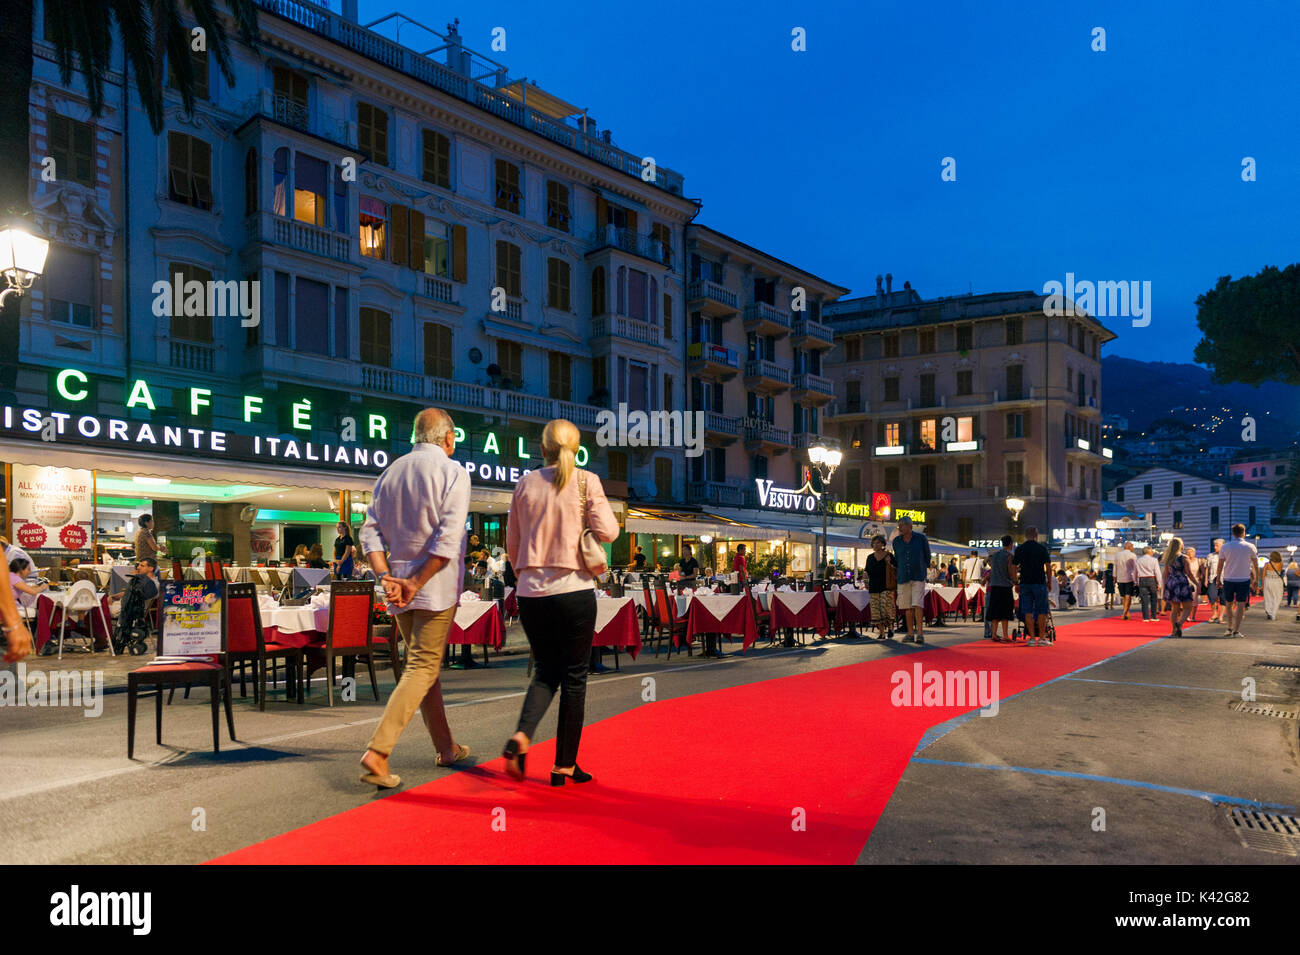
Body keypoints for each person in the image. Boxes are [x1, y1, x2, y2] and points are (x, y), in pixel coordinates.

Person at [357, 408, 472, 789]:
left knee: (425, 669)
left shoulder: (390, 472)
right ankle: (378, 751)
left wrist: (386, 576)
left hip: (398, 585)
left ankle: (446, 747)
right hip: (432, 585)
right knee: (422, 666)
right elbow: (449, 540)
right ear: (448, 439)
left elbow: (369, 534)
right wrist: (417, 582)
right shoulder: (453, 472)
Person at [502, 419, 619, 786]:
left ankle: (522, 736)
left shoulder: (525, 483)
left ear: (543, 449)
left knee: (544, 672)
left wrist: (525, 576)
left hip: (532, 593)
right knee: (573, 678)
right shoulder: (586, 481)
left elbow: (512, 544)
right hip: (573, 590)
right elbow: (610, 532)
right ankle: (564, 765)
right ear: (576, 447)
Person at [891, 516, 931, 644]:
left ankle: (920, 633)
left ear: (910, 526)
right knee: (907, 606)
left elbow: (927, 556)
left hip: (918, 575)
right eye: (899, 525)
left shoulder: (921, 538)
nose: (900, 528)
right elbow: (897, 558)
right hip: (903, 576)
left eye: (902, 525)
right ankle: (910, 633)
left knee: (917, 604)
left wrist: (923, 568)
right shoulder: (896, 541)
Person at [1214, 524, 1257, 639]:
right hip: (1244, 579)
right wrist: (1256, 579)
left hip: (1228, 578)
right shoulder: (1250, 546)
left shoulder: (1225, 547)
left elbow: (1220, 565)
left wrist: (1218, 578)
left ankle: (1229, 627)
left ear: (1233, 533)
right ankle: (1236, 630)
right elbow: (1255, 564)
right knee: (1240, 605)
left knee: (1228, 604)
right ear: (1243, 533)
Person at [1012, 527, 1053, 646]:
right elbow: (1048, 567)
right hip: (1039, 582)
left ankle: (1031, 639)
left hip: (1025, 583)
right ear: (1036, 535)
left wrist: (1016, 582)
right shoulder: (1041, 548)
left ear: (1025, 535)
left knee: (1027, 611)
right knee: (1042, 611)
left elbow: (1014, 566)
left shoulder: (1020, 549)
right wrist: (1049, 582)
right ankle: (1041, 638)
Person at [864, 534, 896, 641]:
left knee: (885, 608)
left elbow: (896, 569)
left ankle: (891, 627)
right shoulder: (870, 557)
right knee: (876, 611)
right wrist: (865, 577)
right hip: (873, 586)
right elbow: (867, 571)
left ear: (883, 544)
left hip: (886, 586)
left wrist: (889, 563)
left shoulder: (889, 555)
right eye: (874, 543)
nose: (876, 545)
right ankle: (882, 632)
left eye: (878, 542)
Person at [1160, 537, 1195, 637]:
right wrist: (1197, 583)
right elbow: (1189, 573)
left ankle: (1173, 630)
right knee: (1188, 607)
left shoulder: (1168, 558)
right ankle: (1179, 624)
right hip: (1182, 582)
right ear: (1180, 546)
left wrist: (1166, 586)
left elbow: (1166, 574)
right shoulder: (1184, 558)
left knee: (1174, 608)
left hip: (1171, 582)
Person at [986, 535, 1016, 642]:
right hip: (1005, 586)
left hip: (994, 586)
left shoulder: (995, 555)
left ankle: (994, 634)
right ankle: (1005, 635)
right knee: (1005, 611)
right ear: (1011, 544)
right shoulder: (1009, 556)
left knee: (995, 610)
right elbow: (1010, 571)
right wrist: (1015, 580)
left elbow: (992, 570)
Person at [1134, 546, 1163, 622]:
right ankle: (1153, 616)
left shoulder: (1138, 560)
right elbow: (1157, 572)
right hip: (1151, 579)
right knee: (1154, 598)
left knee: (1144, 599)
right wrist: (1159, 583)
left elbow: (1135, 572)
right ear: (1149, 552)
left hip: (1142, 579)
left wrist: (1135, 581)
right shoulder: (1154, 560)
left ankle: (1145, 617)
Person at [1202, 538, 1225, 624]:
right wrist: (1206, 579)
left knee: (1223, 598)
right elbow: (1207, 568)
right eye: (1214, 545)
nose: (1215, 547)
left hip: (1224, 578)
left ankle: (1221, 617)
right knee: (1212, 596)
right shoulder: (1210, 555)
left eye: (1217, 545)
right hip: (1213, 578)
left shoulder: (1227, 555)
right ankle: (1215, 614)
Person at [1262, 550, 1286, 621]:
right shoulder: (1281, 563)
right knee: (1277, 597)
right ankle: (1274, 614)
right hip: (1277, 581)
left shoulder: (1267, 564)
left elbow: (1263, 575)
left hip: (1268, 580)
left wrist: (1262, 584)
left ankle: (1269, 612)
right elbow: (1280, 572)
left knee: (1268, 597)